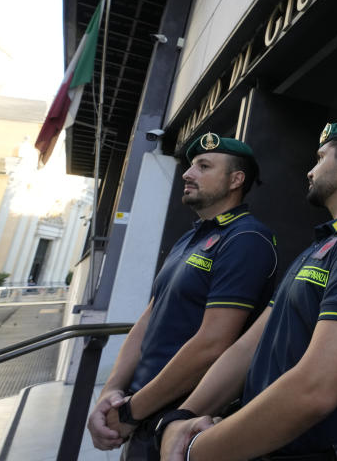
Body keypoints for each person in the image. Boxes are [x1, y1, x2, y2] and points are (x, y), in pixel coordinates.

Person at [158, 119, 337, 461]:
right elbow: (247, 348)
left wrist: (196, 451)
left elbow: (316, 388)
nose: (310, 171)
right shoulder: (325, 243)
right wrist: (182, 416)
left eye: (320, 157)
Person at [87, 133, 278, 460]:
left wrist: (132, 412)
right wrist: (112, 393)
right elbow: (148, 318)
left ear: (236, 180)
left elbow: (213, 344)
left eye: (203, 166)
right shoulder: (191, 238)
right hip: (140, 413)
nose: (188, 174)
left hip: (181, 423)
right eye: (191, 166)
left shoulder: (247, 239)